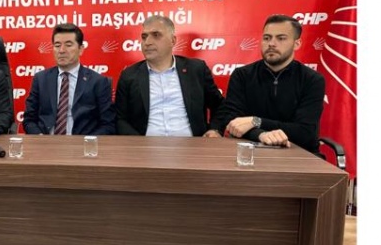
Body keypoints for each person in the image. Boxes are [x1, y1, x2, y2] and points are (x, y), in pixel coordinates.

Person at [207, 14, 325, 152]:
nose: (271, 43)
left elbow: (305, 132)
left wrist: (256, 121)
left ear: (297, 44)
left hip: (299, 154)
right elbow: (232, 123)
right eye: (267, 38)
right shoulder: (242, 75)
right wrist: (261, 135)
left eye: (281, 38)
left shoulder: (312, 79)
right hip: (250, 152)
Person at [115, 15, 223, 136]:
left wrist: (215, 130)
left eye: (156, 35)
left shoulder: (196, 69)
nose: (147, 42)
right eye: (144, 37)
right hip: (145, 145)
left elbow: (220, 106)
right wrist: (139, 143)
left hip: (193, 144)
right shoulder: (129, 75)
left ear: (173, 40)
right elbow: (120, 119)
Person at [23, 23, 115, 135]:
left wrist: (87, 142)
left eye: (68, 45)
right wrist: (40, 138)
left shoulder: (98, 82)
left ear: (81, 49)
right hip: (46, 141)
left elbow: (108, 124)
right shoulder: (41, 79)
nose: (61, 50)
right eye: (57, 45)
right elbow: (29, 120)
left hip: (82, 142)